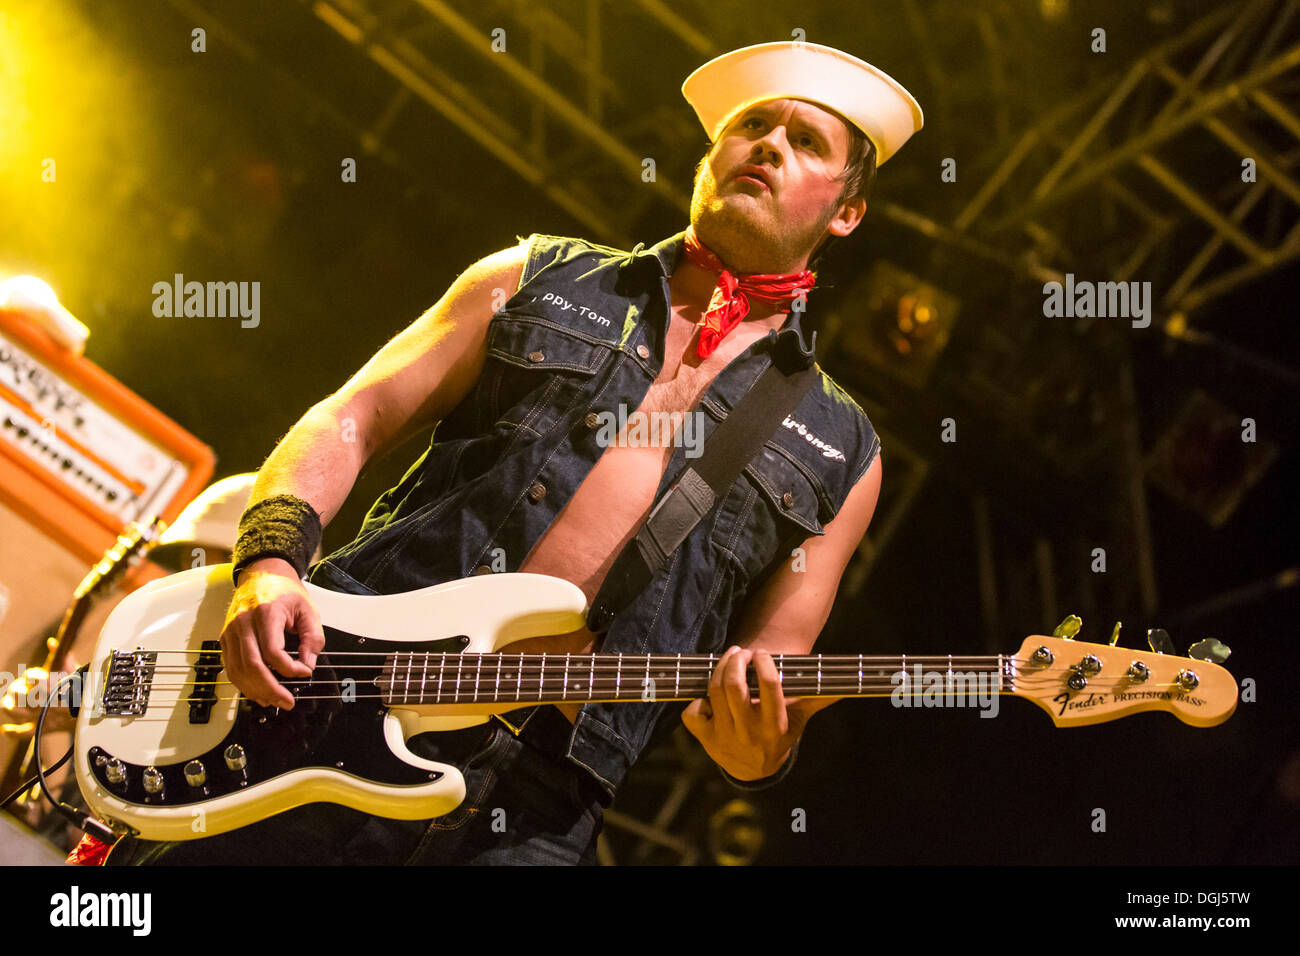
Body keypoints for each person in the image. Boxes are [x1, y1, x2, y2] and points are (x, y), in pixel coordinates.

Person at [106, 41, 923, 866]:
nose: (771, 146)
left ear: (846, 212)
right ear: (713, 153)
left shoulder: (844, 449)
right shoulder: (535, 276)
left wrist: (760, 749)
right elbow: (353, 416)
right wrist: (271, 566)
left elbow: (765, 685)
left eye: (807, 142)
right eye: (753, 126)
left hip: (538, 799)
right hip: (331, 695)